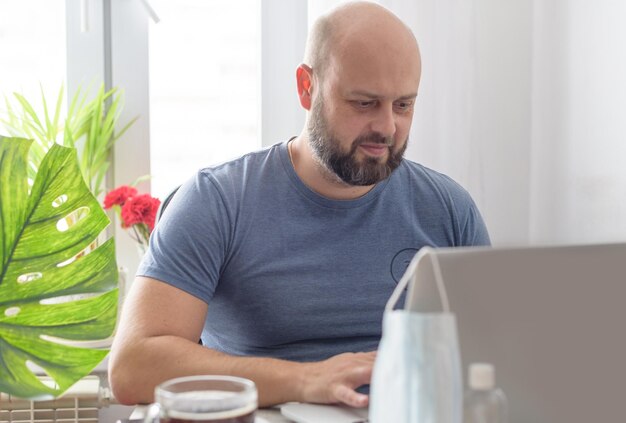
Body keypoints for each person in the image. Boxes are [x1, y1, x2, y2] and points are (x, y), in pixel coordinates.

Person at [109, 1, 490, 409]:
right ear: (307, 88)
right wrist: (306, 379)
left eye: (403, 105)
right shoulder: (216, 202)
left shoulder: (449, 210)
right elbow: (132, 368)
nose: (386, 127)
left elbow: (497, 353)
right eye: (364, 103)